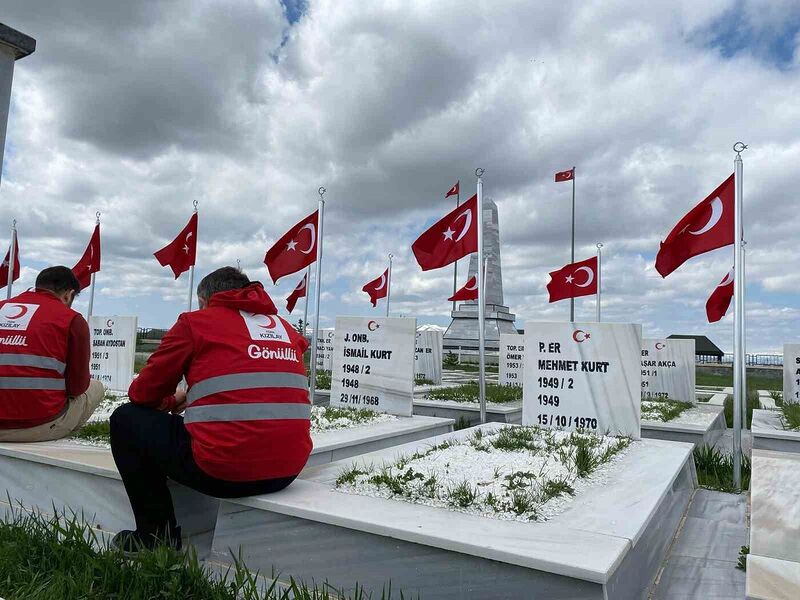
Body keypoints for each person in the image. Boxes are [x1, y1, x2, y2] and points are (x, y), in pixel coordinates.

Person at [109, 267, 312, 551]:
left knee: (126, 419)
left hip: (223, 473)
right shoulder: (285, 328)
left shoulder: (196, 323)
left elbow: (142, 394)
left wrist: (171, 402)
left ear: (205, 301)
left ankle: (154, 537)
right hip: (288, 470)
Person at [0, 266, 103, 442]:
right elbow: (77, 387)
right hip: (34, 426)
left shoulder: (3, 306)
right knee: (96, 387)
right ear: (68, 294)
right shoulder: (71, 320)